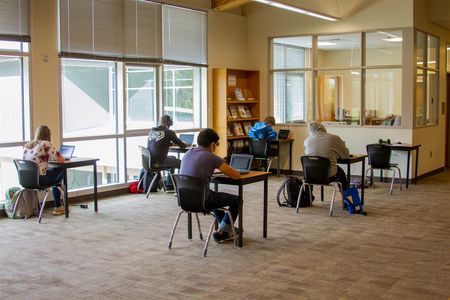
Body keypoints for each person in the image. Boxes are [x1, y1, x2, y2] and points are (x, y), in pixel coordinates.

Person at [180, 128, 241, 242]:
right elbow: (235, 175)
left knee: (215, 198)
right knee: (237, 200)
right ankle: (223, 232)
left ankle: (226, 227)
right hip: (204, 200)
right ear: (213, 144)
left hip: (185, 200)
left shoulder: (188, 153)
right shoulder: (211, 157)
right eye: (216, 145)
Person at [22, 125, 66, 215]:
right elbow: (61, 160)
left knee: (54, 175)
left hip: (26, 180)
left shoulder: (28, 145)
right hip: (40, 179)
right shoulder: (46, 144)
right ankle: (58, 206)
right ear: (48, 135)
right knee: (61, 169)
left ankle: (59, 206)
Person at [304, 121, 350, 190]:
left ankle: (308, 197)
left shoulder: (307, 141)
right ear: (322, 127)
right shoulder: (334, 138)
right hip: (329, 176)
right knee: (341, 173)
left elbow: (309, 158)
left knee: (312, 171)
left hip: (310, 175)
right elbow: (346, 156)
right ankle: (346, 197)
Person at [146, 115, 187, 190]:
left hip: (150, 161)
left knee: (173, 158)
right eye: (169, 125)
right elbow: (182, 145)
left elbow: (158, 141)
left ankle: (170, 185)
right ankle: (183, 186)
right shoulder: (169, 132)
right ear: (167, 124)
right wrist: (188, 144)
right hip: (159, 162)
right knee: (183, 164)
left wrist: (170, 143)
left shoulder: (152, 130)